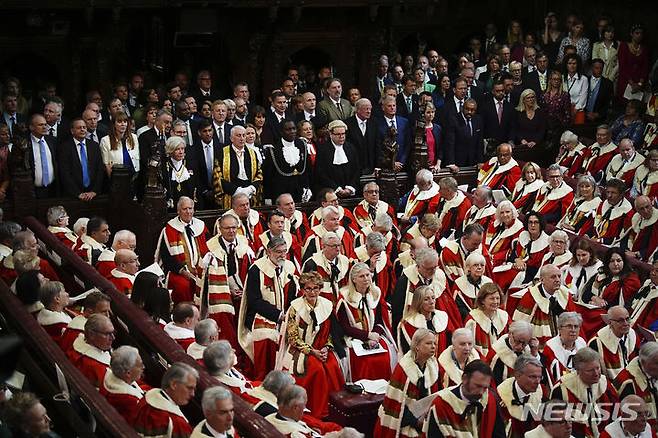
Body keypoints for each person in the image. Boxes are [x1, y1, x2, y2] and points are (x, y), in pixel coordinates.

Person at [278, 272, 344, 419]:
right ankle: (317, 411)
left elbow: (331, 333)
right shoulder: (295, 308)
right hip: (302, 350)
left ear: (320, 289)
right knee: (317, 369)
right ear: (302, 289)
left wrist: (327, 347)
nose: (312, 292)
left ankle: (335, 408)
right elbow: (293, 338)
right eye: (308, 288)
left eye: (316, 288)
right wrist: (313, 352)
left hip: (322, 349)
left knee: (332, 365)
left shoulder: (327, 305)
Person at [238, 236, 297, 380]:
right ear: (268, 251)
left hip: (285, 313)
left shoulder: (288, 266)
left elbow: (294, 293)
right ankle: (264, 377)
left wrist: (291, 312)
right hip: (261, 314)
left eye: (284, 251)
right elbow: (254, 301)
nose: (282, 255)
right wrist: (279, 315)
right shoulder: (257, 270)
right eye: (278, 252)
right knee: (267, 337)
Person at [374, 329, 440, 438]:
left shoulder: (432, 366)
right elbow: (396, 406)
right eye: (428, 343)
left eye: (434, 343)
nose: (433, 346)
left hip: (423, 416)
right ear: (417, 346)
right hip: (404, 420)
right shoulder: (403, 369)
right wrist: (417, 422)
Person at [337, 262, 395, 381]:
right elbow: (344, 326)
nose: (366, 279)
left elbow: (379, 320)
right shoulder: (344, 298)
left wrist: (375, 335)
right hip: (353, 337)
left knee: (385, 355)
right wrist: (367, 336)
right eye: (361, 276)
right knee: (363, 360)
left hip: (374, 335)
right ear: (354, 279)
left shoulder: (375, 294)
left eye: (368, 275)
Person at [424, 360, 505, 437]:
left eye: (485, 388)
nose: (481, 392)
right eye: (477, 386)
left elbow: (499, 434)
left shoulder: (490, 400)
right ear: (464, 378)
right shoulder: (442, 404)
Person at [550, 347, 619, 438]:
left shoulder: (605, 384)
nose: (596, 373)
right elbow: (556, 424)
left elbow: (616, 414)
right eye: (590, 370)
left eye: (598, 368)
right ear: (578, 371)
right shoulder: (562, 390)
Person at [156, 196, 209, 304]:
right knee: (183, 285)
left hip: (201, 269)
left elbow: (209, 249)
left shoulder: (201, 226)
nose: (188, 212)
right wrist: (184, 272)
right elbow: (167, 258)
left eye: (190, 208)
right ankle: (184, 314)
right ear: (178, 211)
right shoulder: (169, 229)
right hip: (179, 271)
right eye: (185, 209)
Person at [579, 248, 641, 337]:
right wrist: (595, 298)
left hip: (611, 318)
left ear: (624, 262)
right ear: (607, 263)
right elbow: (586, 294)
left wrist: (602, 304)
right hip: (593, 309)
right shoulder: (602, 274)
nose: (616, 264)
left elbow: (624, 307)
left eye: (619, 261)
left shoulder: (631, 281)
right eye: (612, 261)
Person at [512, 264, 576, 347]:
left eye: (559, 276)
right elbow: (519, 326)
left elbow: (574, 322)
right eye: (553, 277)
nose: (557, 280)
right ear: (542, 280)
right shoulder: (530, 297)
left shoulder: (565, 295)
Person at [133, 362, 198, 438]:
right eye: (189, 388)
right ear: (174, 384)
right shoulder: (176, 423)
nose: (192, 394)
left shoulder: (146, 398)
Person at [493, 211, 550, 293]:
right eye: (530, 222)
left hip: (529, 275)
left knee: (507, 277)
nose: (532, 225)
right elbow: (513, 254)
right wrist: (517, 260)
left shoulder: (547, 243)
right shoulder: (523, 235)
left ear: (541, 224)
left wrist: (524, 266)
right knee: (497, 273)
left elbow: (541, 267)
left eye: (536, 222)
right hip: (514, 266)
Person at [212, 125, 263, 209]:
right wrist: (236, 190)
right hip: (231, 194)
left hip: (249, 194)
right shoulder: (222, 153)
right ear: (231, 138)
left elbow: (259, 173)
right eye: (238, 135)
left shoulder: (252, 153)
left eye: (244, 135)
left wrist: (251, 188)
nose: (242, 138)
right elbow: (217, 176)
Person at [497, 355, 547, 438]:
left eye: (540, 377)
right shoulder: (499, 397)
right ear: (517, 375)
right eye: (532, 377)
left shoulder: (543, 393)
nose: (537, 382)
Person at [262, 119, 311, 203]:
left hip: (300, 192)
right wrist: (268, 197)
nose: (292, 131)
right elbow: (268, 176)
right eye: (288, 129)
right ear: (281, 132)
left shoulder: (302, 145)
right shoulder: (273, 150)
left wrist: (307, 187)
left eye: (293, 128)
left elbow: (307, 170)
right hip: (280, 193)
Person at [57, 118, 105, 200]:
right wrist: (77, 193)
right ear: (72, 131)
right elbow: (65, 173)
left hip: (93, 194)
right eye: (79, 128)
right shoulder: (64, 148)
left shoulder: (94, 146)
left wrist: (94, 191)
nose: (82, 130)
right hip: (73, 195)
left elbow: (99, 170)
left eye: (84, 127)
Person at [588, 306, 640, 380]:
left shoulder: (633, 335)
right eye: (620, 320)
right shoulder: (596, 343)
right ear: (610, 322)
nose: (626, 323)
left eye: (627, 319)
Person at [613, 342, 658, 427]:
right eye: (657, 363)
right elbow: (622, 419)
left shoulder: (653, 374)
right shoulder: (627, 383)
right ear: (644, 362)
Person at [100, 345, 146, 425]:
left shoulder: (109, 377)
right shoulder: (132, 400)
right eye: (140, 365)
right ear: (128, 373)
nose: (143, 367)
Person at [397, 285, 449, 355]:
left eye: (433, 298)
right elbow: (408, 352)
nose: (431, 302)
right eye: (426, 299)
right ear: (419, 302)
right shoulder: (408, 324)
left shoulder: (441, 319)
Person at [313, 119, 360, 197]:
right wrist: (336, 189)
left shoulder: (351, 148)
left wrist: (350, 188)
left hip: (349, 191)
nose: (341, 137)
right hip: (330, 191)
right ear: (331, 134)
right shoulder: (323, 149)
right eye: (338, 134)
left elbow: (357, 170)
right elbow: (321, 173)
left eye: (343, 134)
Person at [67, 314, 113, 388]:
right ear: (91, 334)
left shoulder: (77, 346)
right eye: (107, 334)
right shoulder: (96, 367)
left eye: (112, 333)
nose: (112, 338)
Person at [463, 282, 507, 358]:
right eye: (492, 299)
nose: (495, 302)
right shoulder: (473, 320)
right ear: (482, 300)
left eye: (497, 298)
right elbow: (469, 348)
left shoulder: (504, 316)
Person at [542, 312, 586, 387]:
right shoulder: (550, 347)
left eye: (576, 326)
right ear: (560, 328)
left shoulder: (582, 343)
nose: (573, 330)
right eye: (569, 326)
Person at [590, 178, 634, 245]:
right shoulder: (603, 204)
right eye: (608, 192)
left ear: (621, 194)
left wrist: (600, 241)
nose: (609, 196)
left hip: (611, 247)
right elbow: (594, 224)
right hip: (594, 240)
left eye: (613, 193)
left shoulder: (627, 213)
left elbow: (621, 238)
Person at [443, 98, 484, 170]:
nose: (469, 112)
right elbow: (450, 143)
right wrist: (451, 163)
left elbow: (479, 142)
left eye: (472, 110)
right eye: (467, 109)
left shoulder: (478, 119)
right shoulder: (453, 119)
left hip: (473, 162)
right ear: (462, 108)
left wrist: (480, 161)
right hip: (457, 162)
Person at [161, 136, 199, 210]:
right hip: (171, 207)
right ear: (171, 150)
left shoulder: (190, 164)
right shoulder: (164, 166)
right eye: (177, 149)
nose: (181, 152)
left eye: (182, 149)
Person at [99, 111, 140, 179]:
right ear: (114, 124)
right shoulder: (105, 140)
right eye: (119, 121)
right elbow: (106, 164)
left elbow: (137, 157)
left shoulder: (134, 137)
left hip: (134, 176)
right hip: (116, 178)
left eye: (125, 121)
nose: (123, 124)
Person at [485, 200, 524, 268]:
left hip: (503, 261)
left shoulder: (518, 228)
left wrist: (493, 257)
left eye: (507, 212)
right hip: (488, 256)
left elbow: (514, 252)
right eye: (502, 212)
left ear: (513, 212)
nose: (505, 215)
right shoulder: (496, 224)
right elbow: (486, 241)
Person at [540, 71, 571, 152]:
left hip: (558, 128)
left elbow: (567, 114)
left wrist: (563, 128)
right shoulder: (544, 94)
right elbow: (542, 111)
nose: (556, 81)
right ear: (550, 80)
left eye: (558, 79)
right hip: (545, 128)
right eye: (554, 79)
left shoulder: (564, 95)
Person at [617, 24, 649, 102]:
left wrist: (640, 84)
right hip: (625, 81)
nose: (639, 35)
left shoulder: (644, 49)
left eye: (641, 33)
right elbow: (622, 67)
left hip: (639, 83)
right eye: (637, 33)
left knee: (636, 106)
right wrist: (631, 83)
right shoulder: (624, 46)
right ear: (631, 34)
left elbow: (645, 67)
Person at [624, 196, 658, 261]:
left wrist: (637, 254)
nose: (646, 211)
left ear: (651, 204)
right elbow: (630, 237)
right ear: (637, 211)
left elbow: (654, 246)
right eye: (642, 209)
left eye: (647, 206)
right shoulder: (637, 219)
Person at [628, 261, 658, 329]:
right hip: (629, 320)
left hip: (642, 328)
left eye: (657, 271)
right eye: (652, 270)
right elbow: (633, 301)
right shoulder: (647, 283)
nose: (652, 273)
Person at [585, 58, 614, 125]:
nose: (599, 70)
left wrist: (597, 114)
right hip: (583, 115)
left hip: (599, 119)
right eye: (596, 68)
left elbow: (608, 103)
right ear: (592, 68)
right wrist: (586, 113)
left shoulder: (608, 84)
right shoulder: (585, 80)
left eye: (601, 68)